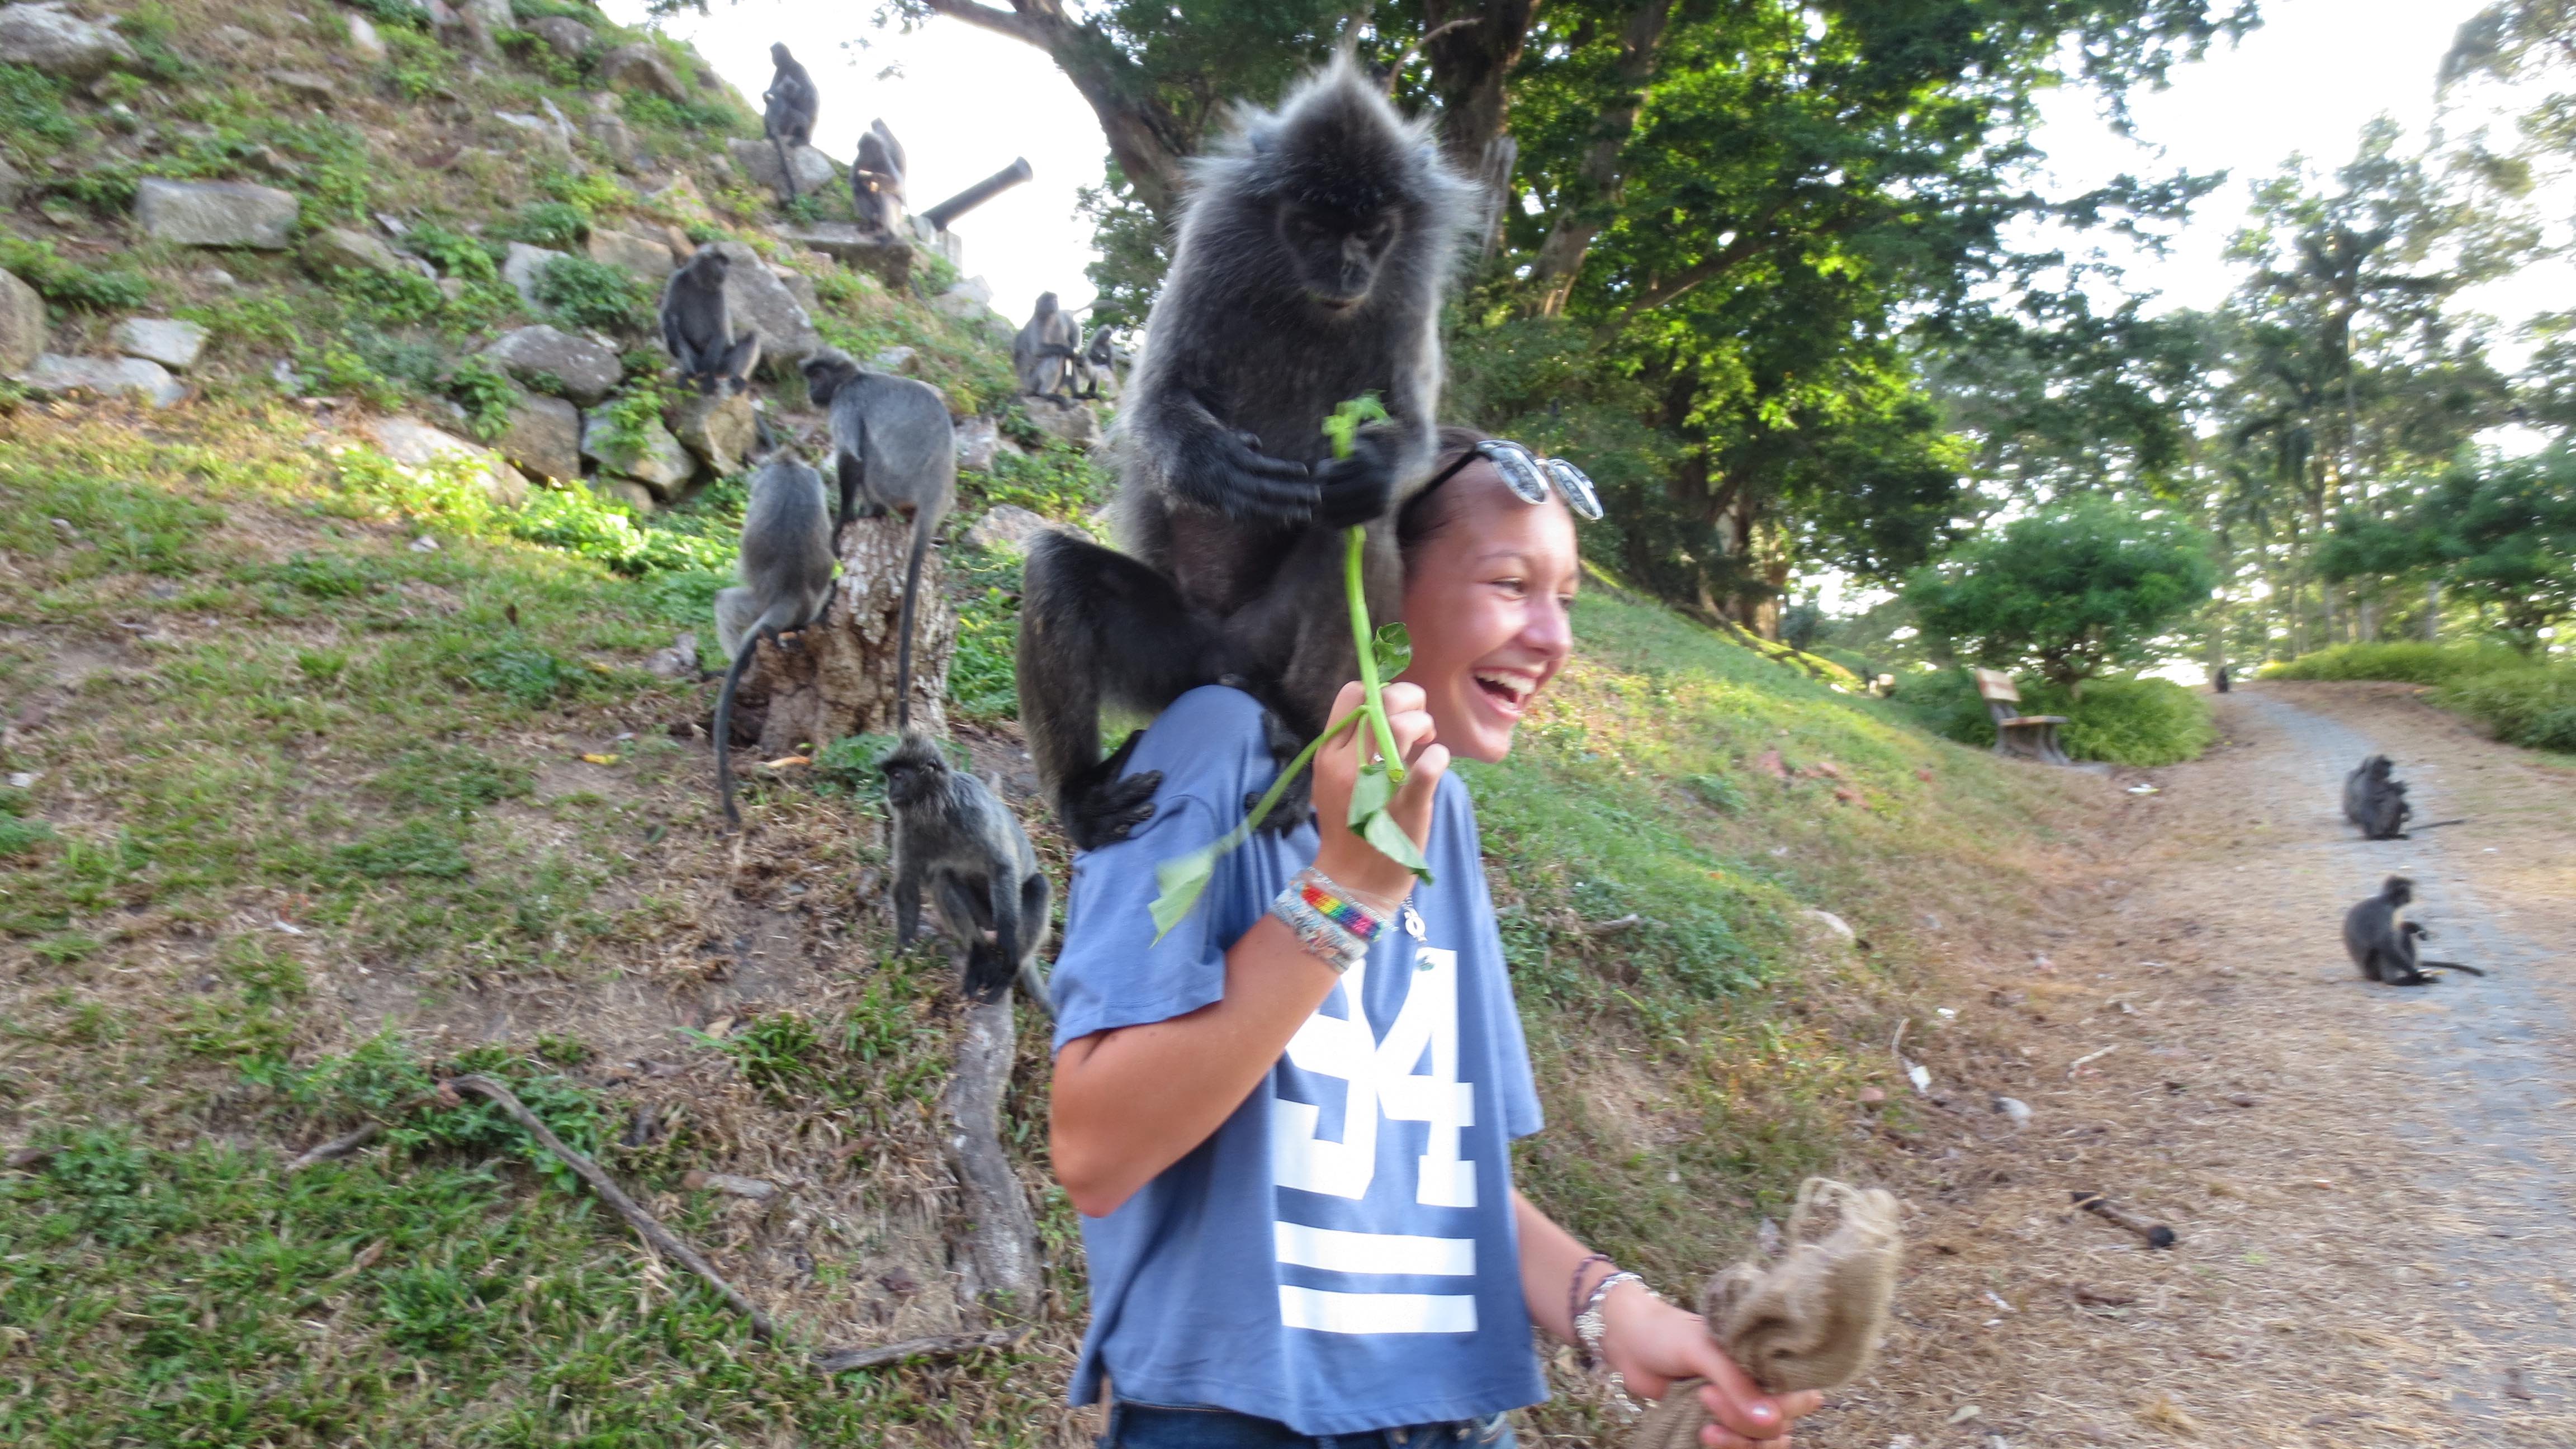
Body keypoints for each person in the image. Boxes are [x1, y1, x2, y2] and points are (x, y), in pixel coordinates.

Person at [1047, 429, 1826, 1448]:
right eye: (1512, 584)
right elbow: (1095, 1148)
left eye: (1569, 598)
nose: (1555, 638)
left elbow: (1428, 1173)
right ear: (1371, 584)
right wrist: (1342, 896)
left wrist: (1613, 1310)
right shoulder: (1207, 755)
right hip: (1241, 1419)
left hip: (1454, 1419)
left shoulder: (1436, 805)